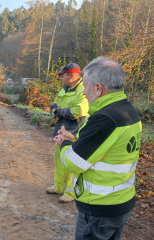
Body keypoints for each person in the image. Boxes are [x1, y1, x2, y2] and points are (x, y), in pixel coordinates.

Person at [54, 56, 141, 240]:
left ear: (98, 88)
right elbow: (106, 146)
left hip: (99, 208)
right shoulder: (127, 111)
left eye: (86, 86)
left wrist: (65, 143)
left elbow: (73, 163)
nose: (84, 92)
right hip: (121, 202)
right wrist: (76, 139)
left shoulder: (105, 119)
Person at [46, 62, 89, 203]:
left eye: (62, 76)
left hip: (75, 131)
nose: (60, 78)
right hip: (62, 128)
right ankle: (58, 186)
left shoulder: (83, 89)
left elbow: (79, 111)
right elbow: (56, 102)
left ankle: (70, 193)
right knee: (59, 159)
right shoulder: (65, 88)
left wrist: (59, 112)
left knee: (71, 162)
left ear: (71, 76)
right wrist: (54, 108)